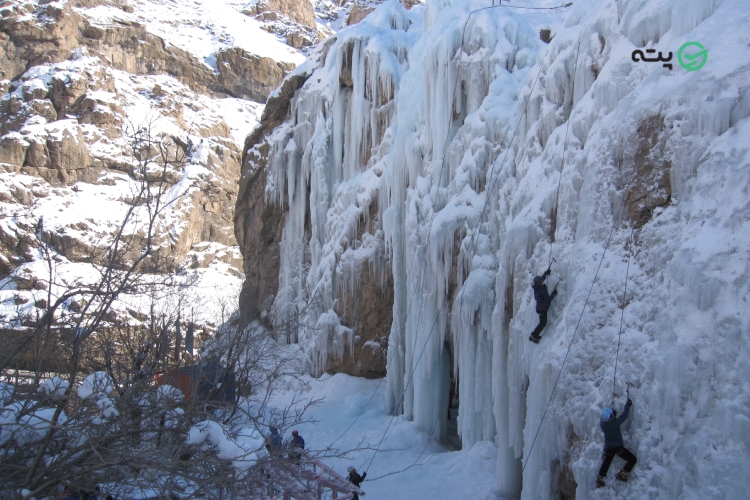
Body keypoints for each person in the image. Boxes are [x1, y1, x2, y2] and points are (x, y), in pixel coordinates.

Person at [596, 398, 637, 488]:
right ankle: (622, 473)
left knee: (606, 463)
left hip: (608, 448)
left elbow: (608, 417)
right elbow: (624, 415)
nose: (614, 414)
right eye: (612, 414)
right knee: (632, 459)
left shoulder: (602, 424)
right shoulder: (615, 423)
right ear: (610, 417)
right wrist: (628, 405)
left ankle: (600, 479)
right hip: (617, 448)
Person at [529, 267, 558, 343]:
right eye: (541, 281)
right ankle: (533, 335)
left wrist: (545, 273)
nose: (542, 281)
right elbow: (548, 299)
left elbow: (541, 279)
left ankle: (534, 335)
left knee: (542, 323)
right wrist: (553, 294)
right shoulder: (541, 291)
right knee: (542, 323)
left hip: (540, 308)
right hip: (542, 309)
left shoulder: (537, 287)